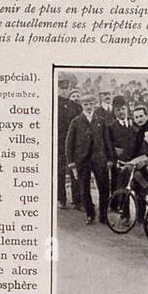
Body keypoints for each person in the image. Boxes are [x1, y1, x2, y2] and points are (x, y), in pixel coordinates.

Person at [64, 94, 113, 225]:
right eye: (86, 104)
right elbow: (69, 143)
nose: (89, 106)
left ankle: (103, 216)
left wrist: (110, 158)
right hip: (82, 160)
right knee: (84, 189)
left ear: (95, 104)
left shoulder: (101, 121)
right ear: (81, 105)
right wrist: (71, 162)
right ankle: (90, 214)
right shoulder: (76, 121)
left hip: (99, 159)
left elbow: (107, 140)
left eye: (91, 104)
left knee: (104, 188)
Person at [56, 78, 81, 209]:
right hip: (59, 143)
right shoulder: (54, 103)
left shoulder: (75, 106)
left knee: (74, 170)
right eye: (61, 87)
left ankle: (77, 200)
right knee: (60, 171)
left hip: (73, 143)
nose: (64, 90)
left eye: (66, 87)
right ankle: (61, 199)